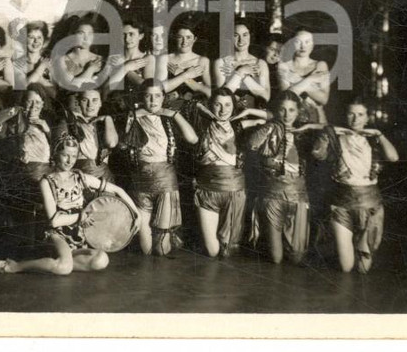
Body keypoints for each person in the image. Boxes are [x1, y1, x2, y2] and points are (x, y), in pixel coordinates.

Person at [0, 133, 140, 275]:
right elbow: (54, 220)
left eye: (74, 155)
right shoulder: (47, 181)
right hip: (56, 235)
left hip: (78, 235)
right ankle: (14, 266)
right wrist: (80, 216)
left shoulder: (80, 177)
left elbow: (118, 190)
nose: (70, 160)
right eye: (65, 155)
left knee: (101, 260)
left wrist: (136, 214)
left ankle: (55, 263)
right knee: (64, 268)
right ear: (55, 154)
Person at [310, 98, 399, 273]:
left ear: (367, 118)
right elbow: (317, 154)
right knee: (346, 266)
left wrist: (379, 134)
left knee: (363, 268)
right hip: (342, 204)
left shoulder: (373, 139)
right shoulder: (337, 138)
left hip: (370, 205)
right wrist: (328, 132)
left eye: (360, 115)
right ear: (345, 116)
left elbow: (393, 157)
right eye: (351, 114)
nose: (355, 119)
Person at [121, 79, 199, 255]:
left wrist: (173, 114)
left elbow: (193, 139)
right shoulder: (133, 117)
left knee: (162, 250)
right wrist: (133, 115)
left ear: (163, 97)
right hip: (141, 181)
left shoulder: (168, 118)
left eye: (157, 96)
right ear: (142, 97)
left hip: (165, 182)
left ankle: (167, 238)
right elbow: (123, 145)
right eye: (148, 96)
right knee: (146, 249)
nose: (153, 100)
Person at [191, 89, 268, 258]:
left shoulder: (239, 125)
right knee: (212, 251)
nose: (223, 110)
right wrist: (205, 110)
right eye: (217, 104)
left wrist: (247, 111)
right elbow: (185, 105)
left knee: (227, 251)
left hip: (234, 190)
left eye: (228, 105)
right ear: (211, 105)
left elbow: (271, 117)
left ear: (234, 107)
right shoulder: (202, 124)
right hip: (207, 189)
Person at [244, 90, 315, 265]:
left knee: (297, 257)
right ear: (276, 111)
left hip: (298, 197)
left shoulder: (304, 134)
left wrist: (309, 127)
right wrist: (271, 123)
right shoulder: (269, 130)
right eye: (282, 110)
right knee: (276, 259)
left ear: (298, 112)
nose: (286, 114)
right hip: (272, 196)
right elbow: (251, 144)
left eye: (291, 110)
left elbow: (327, 128)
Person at [0, 84, 54, 248]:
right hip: (23, 177)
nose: (33, 107)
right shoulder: (14, 126)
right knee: (25, 220)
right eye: (29, 102)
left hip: (45, 177)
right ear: (23, 102)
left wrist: (46, 129)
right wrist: (15, 110)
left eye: (38, 103)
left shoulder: (47, 126)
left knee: (43, 218)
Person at [213, 21, 271, 111]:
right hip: (227, 116)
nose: (241, 40)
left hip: (253, 117)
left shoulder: (260, 63)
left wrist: (243, 76)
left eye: (245, 35)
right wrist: (241, 71)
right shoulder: (221, 63)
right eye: (236, 35)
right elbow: (221, 96)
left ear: (250, 36)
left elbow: (265, 97)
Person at [276, 29, 330, 124]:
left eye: (307, 42)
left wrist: (296, 82)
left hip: (317, 120)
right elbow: (287, 95)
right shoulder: (283, 66)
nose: (303, 46)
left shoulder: (320, 65)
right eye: (298, 42)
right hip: (289, 120)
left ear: (313, 45)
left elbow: (323, 99)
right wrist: (310, 79)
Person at [66, 86, 119, 183]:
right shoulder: (71, 123)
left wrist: (108, 119)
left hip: (103, 179)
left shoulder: (106, 123)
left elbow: (111, 143)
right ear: (78, 102)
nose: (90, 105)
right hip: (79, 178)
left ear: (100, 103)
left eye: (95, 100)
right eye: (85, 100)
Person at [159, 20, 212, 110]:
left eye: (188, 37)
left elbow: (209, 92)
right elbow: (161, 88)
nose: (184, 42)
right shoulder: (165, 59)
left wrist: (182, 74)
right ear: (175, 37)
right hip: (169, 109)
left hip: (195, 110)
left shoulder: (202, 61)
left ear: (195, 39)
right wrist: (185, 75)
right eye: (180, 37)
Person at [106, 16, 157, 93]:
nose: (127, 39)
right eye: (123, 34)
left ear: (141, 36)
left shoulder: (147, 58)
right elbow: (105, 90)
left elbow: (147, 88)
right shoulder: (113, 59)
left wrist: (125, 68)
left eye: (131, 34)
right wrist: (126, 67)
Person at [54, 14, 105, 89]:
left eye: (90, 34)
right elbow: (71, 88)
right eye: (81, 33)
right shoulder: (62, 60)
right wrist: (90, 69)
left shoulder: (101, 59)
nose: (86, 38)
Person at [13, 20, 55, 96]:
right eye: (31, 37)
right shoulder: (17, 64)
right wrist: (40, 69)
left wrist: (38, 79)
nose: (36, 41)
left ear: (44, 40)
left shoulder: (50, 62)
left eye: (39, 37)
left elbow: (55, 94)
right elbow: (21, 89)